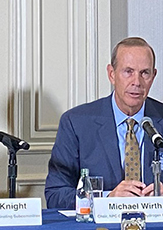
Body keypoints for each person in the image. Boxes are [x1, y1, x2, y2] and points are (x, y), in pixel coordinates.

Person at [45, 37, 163, 209]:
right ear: (112, 74)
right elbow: (56, 194)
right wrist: (107, 198)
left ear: (153, 76)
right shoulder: (76, 123)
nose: (137, 82)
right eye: (128, 71)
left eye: (144, 73)